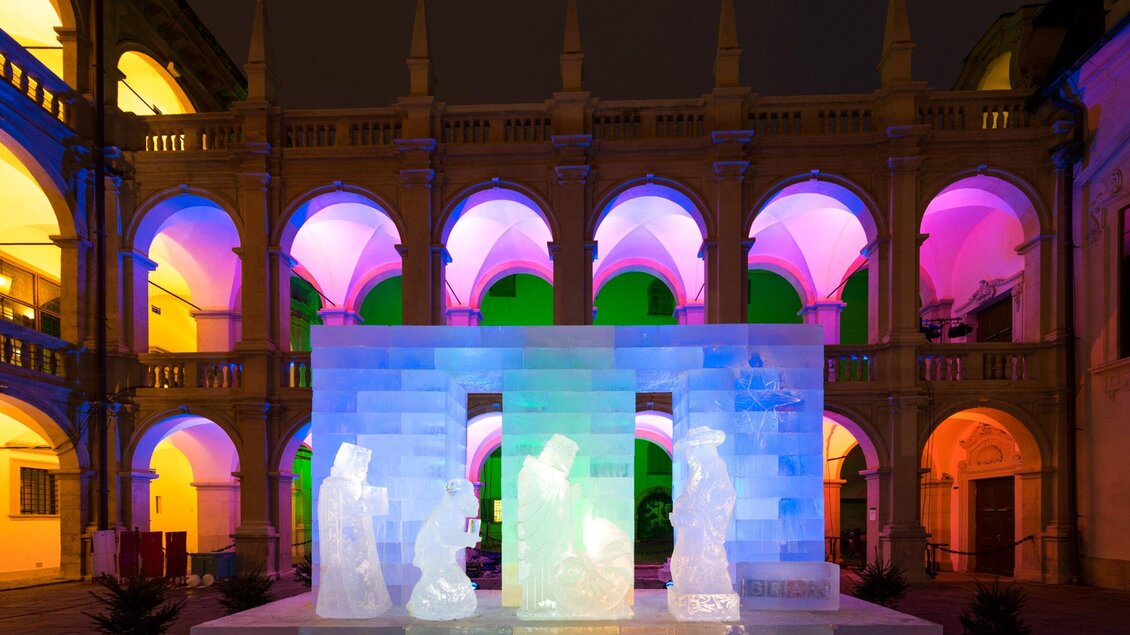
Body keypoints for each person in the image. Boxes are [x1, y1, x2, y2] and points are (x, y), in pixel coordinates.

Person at [316, 442, 391, 618]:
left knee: (355, 574)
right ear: (351, 463)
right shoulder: (341, 485)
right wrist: (376, 500)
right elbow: (352, 510)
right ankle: (355, 606)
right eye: (362, 464)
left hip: (352, 538)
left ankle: (356, 604)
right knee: (352, 573)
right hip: (349, 540)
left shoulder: (337, 483)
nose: (364, 469)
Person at [669, 426, 736, 595]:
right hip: (692, 530)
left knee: (703, 561)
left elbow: (724, 497)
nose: (688, 455)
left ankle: (706, 591)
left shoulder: (715, 466)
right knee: (687, 561)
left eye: (691, 449)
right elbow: (689, 496)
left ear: (700, 448)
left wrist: (697, 516)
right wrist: (681, 510)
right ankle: (692, 590)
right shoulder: (698, 470)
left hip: (703, 531)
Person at [407, 478, 480, 620]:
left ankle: (432, 607)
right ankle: (424, 606)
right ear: (460, 497)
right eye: (471, 495)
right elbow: (445, 538)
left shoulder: (454, 514)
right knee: (447, 586)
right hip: (437, 562)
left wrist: (468, 539)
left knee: (459, 588)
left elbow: (449, 540)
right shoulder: (445, 513)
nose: (475, 500)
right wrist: (467, 538)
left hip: (445, 561)